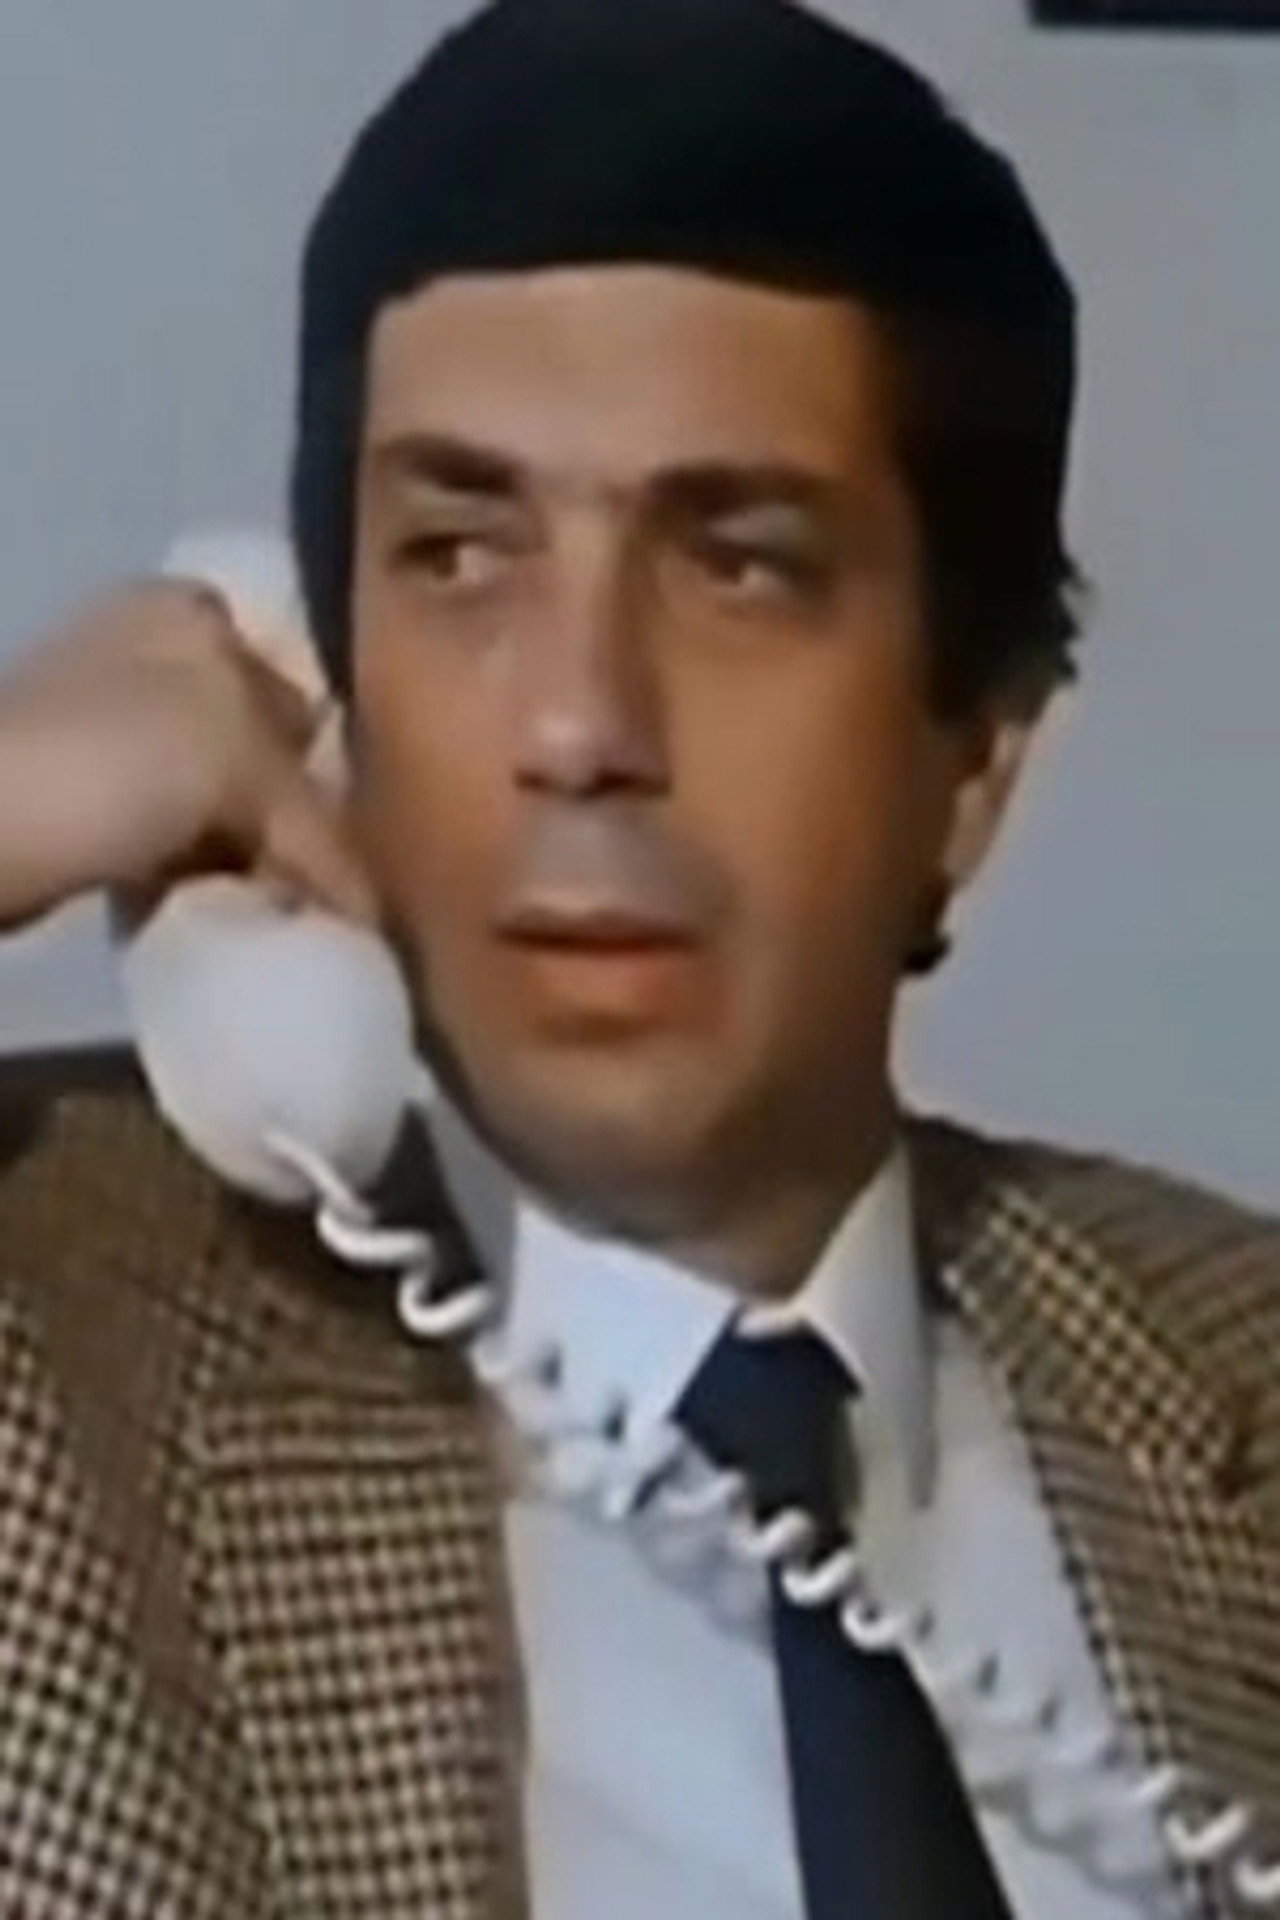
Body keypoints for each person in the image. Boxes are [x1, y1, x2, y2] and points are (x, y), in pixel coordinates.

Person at [0, 0, 1277, 1915]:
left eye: (739, 563)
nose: (580, 725)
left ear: (976, 763)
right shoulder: (50, 1341)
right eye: (458, 554)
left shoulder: (1234, 1371)